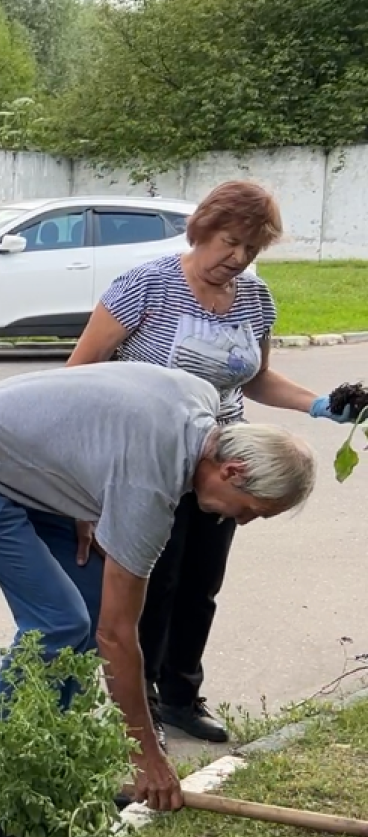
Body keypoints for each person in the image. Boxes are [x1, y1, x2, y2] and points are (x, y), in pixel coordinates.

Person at [0, 361, 315, 811]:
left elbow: (99, 425)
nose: (239, 520)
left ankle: (41, 752)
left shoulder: (201, 397)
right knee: (61, 622)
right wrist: (144, 755)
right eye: (251, 510)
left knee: (88, 602)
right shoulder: (149, 490)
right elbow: (117, 636)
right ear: (233, 471)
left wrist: (84, 499)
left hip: (8, 459)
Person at [66, 181, 348, 745]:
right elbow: (80, 372)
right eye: (231, 242)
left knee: (201, 584)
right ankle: (137, 700)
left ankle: (180, 695)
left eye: (252, 250)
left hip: (226, 464)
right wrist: (83, 481)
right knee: (153, 580)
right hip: (149, 457)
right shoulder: (146, 285)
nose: (238, 259)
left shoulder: (255, 298)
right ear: (202, 228)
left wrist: (319, 404)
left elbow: (257, 376)